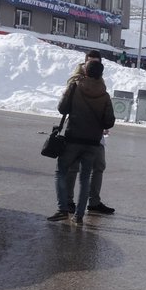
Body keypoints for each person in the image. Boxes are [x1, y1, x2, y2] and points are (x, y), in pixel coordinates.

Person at [50, 59, 116, 224]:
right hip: (93, 142)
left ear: (85, 72)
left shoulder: (75, 87)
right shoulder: (105, 94)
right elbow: (109, 122)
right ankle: (79, 216)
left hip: (73, 138)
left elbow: (62, 108)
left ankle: (62, 209)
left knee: (61, 171)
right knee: (85, 177)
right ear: (101, 75)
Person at [66, 51, 114, 214]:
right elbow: (64, 105)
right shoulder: (75, 81)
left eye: (97, 62)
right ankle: (68, 201)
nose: (94, 65)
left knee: (99, 165)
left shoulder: (100, 82)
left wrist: (103, 123)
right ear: (84, 64)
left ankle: (94, 201)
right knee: (73, 168)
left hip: (95, 134)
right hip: (77, 131)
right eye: (91, 62)